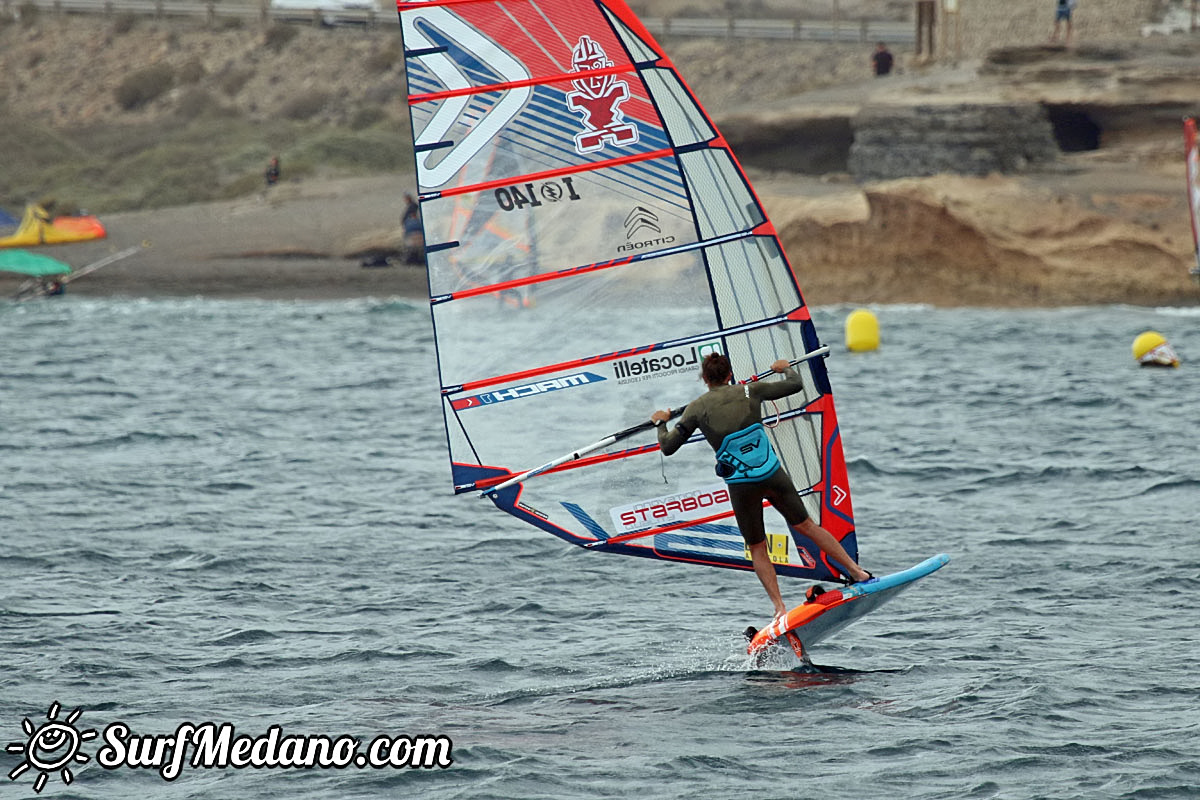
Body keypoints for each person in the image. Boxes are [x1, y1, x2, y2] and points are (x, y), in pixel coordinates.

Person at [651, 353, 871, 621]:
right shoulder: (749, 390)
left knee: (757, 547)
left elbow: (668, 447)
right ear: (729, 375)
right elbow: (795, 385)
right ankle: (857, 572)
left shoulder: (696, 408)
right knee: (808, 526)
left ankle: (780, 608)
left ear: (705, 379)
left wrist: (661, 422)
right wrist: (786, 369)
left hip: (742, 486)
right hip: (771, 474)